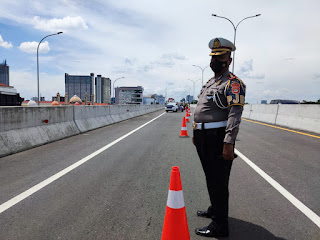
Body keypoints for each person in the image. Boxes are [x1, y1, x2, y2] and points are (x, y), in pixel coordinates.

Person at [192, 37, 246, 238]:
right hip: (203, 135)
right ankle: (215, 210)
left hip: (217, 137)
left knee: (219, 181)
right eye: (213, 56)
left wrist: (228, 142)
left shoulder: (233, 83)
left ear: (229, 60)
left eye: (220, 56)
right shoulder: (211, 82)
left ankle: (220, 226)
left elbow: (235, 113)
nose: (215, 60)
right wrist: (196, 132)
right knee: (210, 177)